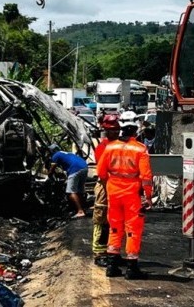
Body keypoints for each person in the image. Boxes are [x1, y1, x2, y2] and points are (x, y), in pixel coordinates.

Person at [97, 110, 153, 279]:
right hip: (132, 195)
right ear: (136, 129)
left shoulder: (110, 147)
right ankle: (132, 268)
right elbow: (146, 177)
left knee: (114, 227)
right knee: (133, 229)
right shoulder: (140, 149)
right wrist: (148, 197)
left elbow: (100, 172)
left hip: (113, 192)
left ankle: (112, 266)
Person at [92, 114, 120, 267]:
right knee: (101, 219)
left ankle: (112, 252)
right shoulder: (102, 147)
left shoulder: (119, 146)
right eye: (113, 130)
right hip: (105, 186)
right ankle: (99, 253)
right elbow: (103, 172)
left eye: (117, 130)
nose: (115, 133)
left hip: (117, 187)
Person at [48, 148, 89, 218]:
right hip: (84, 167)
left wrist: (49, 176)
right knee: (79, 190)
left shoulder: (55, 155)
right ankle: (83, 208)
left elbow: (52, 169)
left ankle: (80, 211)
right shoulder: (67, 153)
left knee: (70, 192)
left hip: (75, 169)